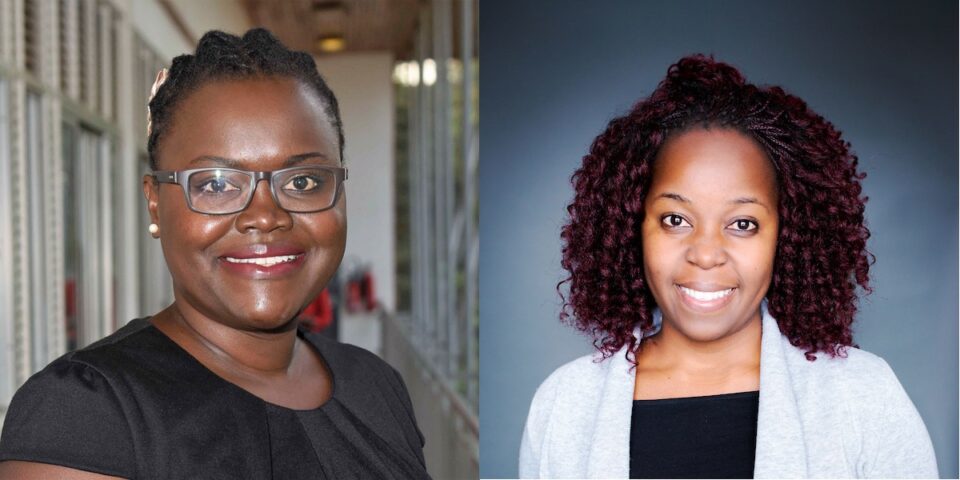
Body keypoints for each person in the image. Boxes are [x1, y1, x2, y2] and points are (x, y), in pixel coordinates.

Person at [0, 29, 430, 479]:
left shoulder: (377, 386)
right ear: (154, 202)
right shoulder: (86, 416)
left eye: (302, 181)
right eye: (217, 184)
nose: (266, 216)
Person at [518, 55, 937, 479]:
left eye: (742, 224)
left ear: (787, 236)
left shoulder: (862, 396)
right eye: (675, 220)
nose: (706, 253)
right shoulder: (564, 405)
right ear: (633, 227)